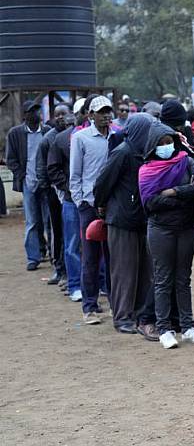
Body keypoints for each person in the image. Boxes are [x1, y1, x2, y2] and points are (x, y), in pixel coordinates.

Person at [139, 123, 194, 349]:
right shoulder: (146, 170)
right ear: (153, 146)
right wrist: (183, 199)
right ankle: (164, 329)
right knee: (162, 279)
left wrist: (174, 191)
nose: (166, 146)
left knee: (183, 278)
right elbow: (150, 202)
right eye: (161, 143)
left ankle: (187, 327)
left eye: (169, 142)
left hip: (187, 227)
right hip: (160, 230)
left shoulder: (186, 161)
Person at [93, 113, 157, 335]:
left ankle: (140, 313)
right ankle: (122, 316)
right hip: (121, 220)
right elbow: (102, 183)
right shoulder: (123, 153)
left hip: (140, 218)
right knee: (124, 271)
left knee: (143, 270)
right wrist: (102, 206)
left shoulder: (143, 153)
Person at [70, 95, 116, 325]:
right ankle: (89, 306)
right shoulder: (80, 138)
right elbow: (75, 175)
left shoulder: (116, 137)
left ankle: (115, 304)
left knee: (112, 256)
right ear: (90, 115)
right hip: (89, 206)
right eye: (101, 111)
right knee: (90, 257)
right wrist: (81, 202)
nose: (106, 115)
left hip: (111, 206)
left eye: (108, 111)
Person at [5, 100, 50, 271]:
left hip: (46, 184)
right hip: (28, 183)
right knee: (32, 221)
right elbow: (11, 160)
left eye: (37, 111)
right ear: (25, 115)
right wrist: (23, 176)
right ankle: (33, 257)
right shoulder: (15, 134)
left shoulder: (47, 132)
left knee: (48, 221)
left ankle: (51, 254)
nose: (36, 114)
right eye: (32, 111)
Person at [47, 105, 83, 303]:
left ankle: (101, 284)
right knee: (71, 245)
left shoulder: (99, 137)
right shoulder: (59, 140)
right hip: (71, 201)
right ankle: (75, 285)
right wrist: (68, 188)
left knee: (96, 243)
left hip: (92, 200)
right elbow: (52, 169)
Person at [35, 104, 72, 285]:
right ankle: (59, 269)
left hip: (70, 192)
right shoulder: (47, 140)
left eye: (63, 114)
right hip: (53, 192)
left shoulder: (75, 135)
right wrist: (47, 189)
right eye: (57, 115)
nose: (60, 118)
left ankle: (70, 270)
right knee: (56, 231)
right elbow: (41, 167)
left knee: (70, 233)